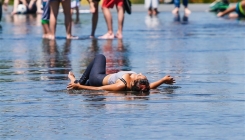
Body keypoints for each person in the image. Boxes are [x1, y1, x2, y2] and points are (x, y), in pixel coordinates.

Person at [67, 54, 175, 92]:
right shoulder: (141, 85)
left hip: (97, 79)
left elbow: (99, 89)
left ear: (134, 81)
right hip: (104, 77)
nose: (141, 73)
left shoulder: (121, 85)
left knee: (100, 57)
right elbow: (149, 86)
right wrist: (163, 80)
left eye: (139, 75)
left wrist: (79, 87)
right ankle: (73, 80)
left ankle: (78, 83)